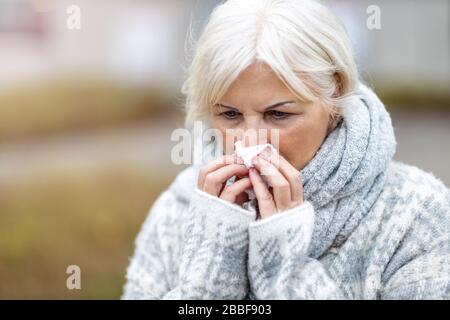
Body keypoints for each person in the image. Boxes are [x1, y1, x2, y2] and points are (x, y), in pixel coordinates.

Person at [122, 0, 450, 299]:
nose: (250, 142)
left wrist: (285, 256)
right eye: (230, 114)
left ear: (334, 94)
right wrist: (212, 262)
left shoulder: (414, 215)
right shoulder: (179, 208)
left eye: (278, 114)